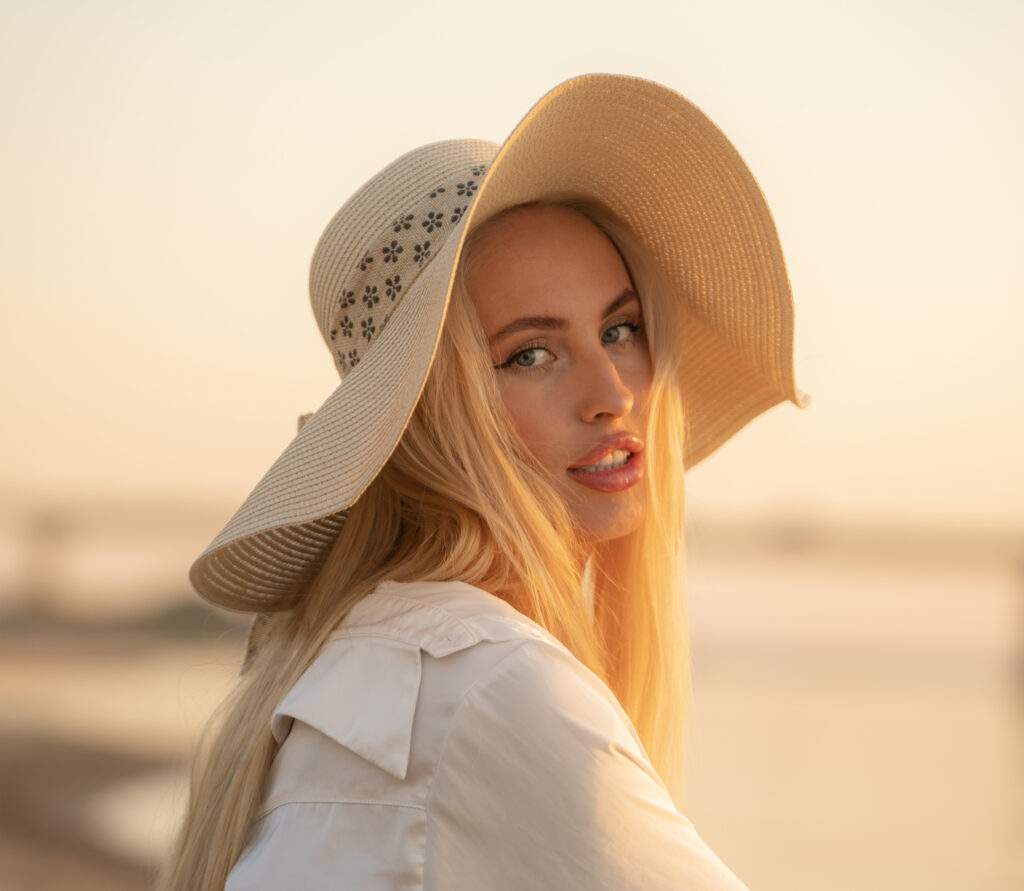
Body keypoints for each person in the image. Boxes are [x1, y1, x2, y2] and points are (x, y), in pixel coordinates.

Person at [159, 73, 805, 890]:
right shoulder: (494, 687)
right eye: (529, 353)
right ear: (431, 418)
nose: (612, 395)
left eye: (620, 328)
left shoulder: (355, 667)